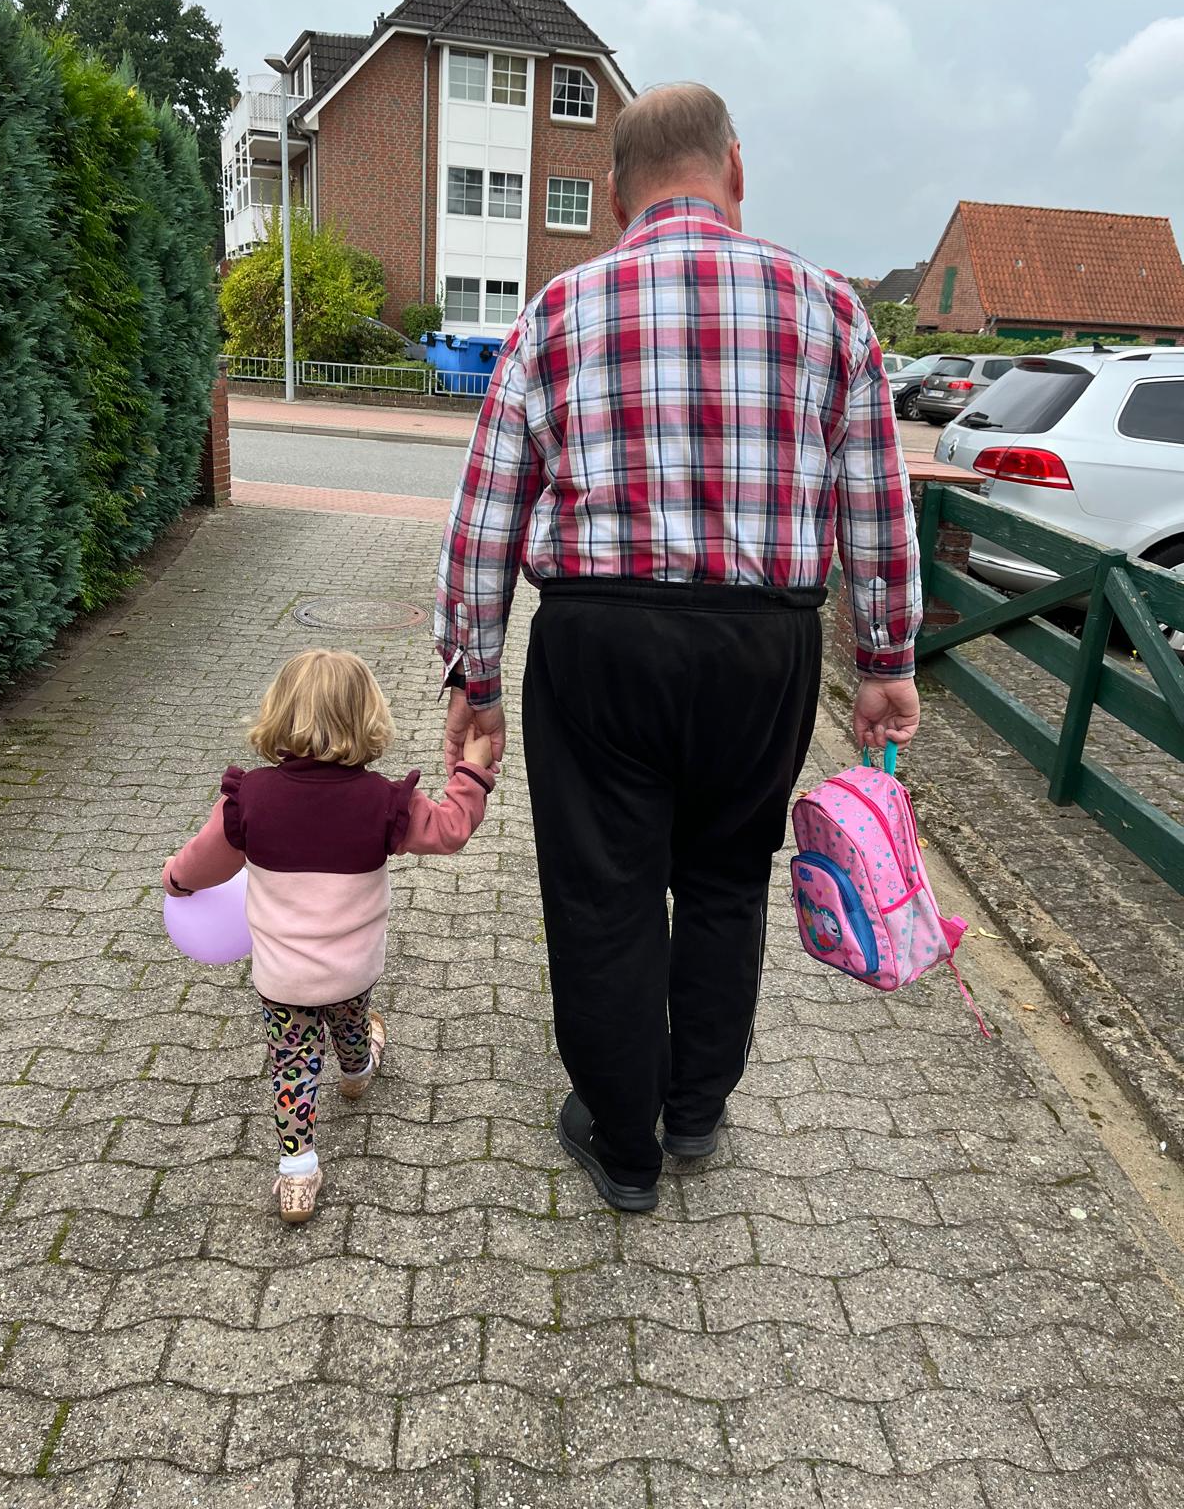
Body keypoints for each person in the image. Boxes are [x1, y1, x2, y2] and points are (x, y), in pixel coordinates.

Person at [433, 83, 921, 1213]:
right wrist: (886, 662)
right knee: (723, 880)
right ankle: (695, 1107)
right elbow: (876, 506)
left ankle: (624, 1144)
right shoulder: (832, 311)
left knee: (602, 891)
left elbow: (486, 512)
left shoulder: (557, 311)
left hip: (599, 642)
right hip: (765, 647)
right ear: (735, 170)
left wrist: (476, 676)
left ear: (614, 198)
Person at [162, 648, 495, 1222]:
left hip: (283, 978)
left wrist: (175, 880)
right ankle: (358, 1071)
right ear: (368, 719)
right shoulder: (384, 802)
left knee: (291, 1062)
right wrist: (471, 772)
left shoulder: (249, 799)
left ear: (279, 713)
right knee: (349, 1015)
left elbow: (202, 864)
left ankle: (297, 1175)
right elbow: (450, 830)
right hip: (352, 966)